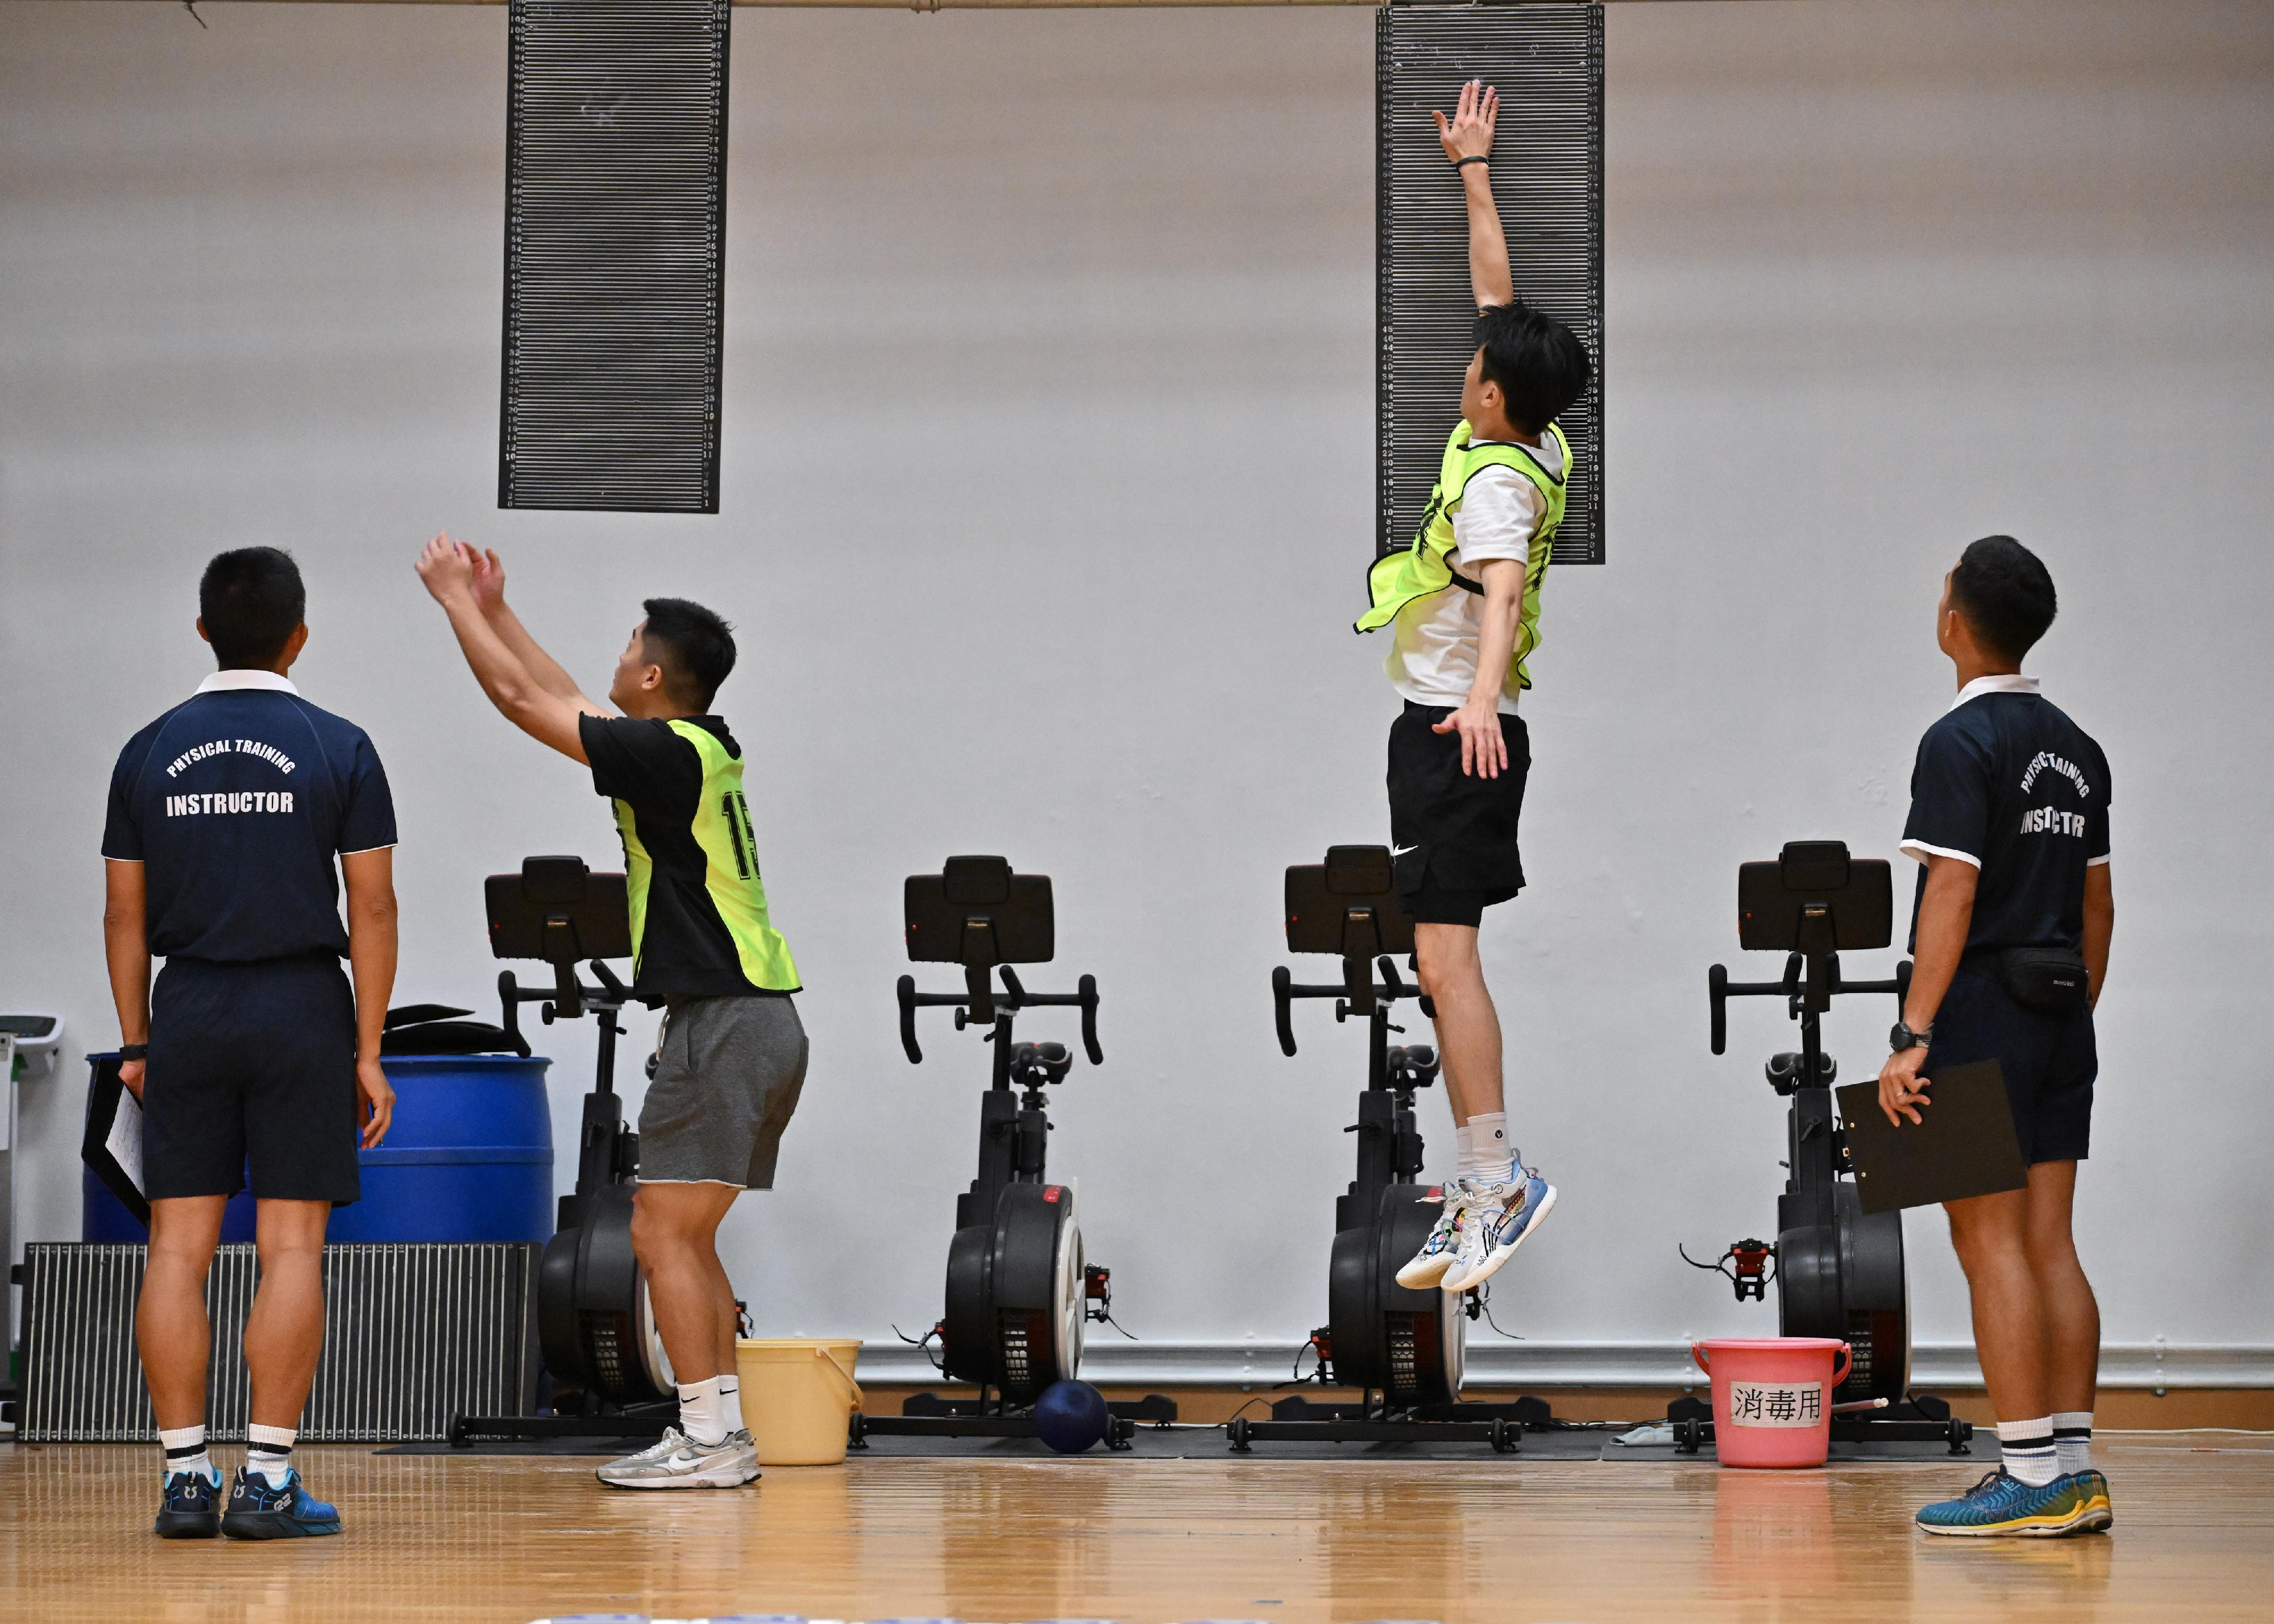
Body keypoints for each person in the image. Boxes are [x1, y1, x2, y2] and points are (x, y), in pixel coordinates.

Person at [414, 534, 806, 1490]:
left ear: (657, 671)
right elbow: (563, 697)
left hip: (726, 1017)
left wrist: (453, 602)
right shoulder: (684, 748)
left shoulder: (670, 754)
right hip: (757, 1017)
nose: (618, 656)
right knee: (687, 1233)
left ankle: (706, 1440)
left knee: (659, 1232)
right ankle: (723, 1433)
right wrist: (500, 612)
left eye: (631, 645)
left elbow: (520, 702)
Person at [102, 546, 399, 1540]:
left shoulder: (146, 749)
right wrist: (367, 1048)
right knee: (290, 1245)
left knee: (176, 1250)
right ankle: (265, 1479)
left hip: (188, 1009)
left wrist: (138, 1041)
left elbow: (122, 916)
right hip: (301, 1009)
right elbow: (375, 905)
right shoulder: (338, 743)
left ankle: (186, 1480)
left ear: (201, 633)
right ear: (299, 635)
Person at [1355, 81, 1593, 1295]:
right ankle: (1481, 1176)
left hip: (1455, 733)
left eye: (1474, 361)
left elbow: (1498, 589)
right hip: (1441, 727)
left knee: (1446, 966)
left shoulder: (1501, 481)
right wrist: (1472, 170)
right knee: (1436, 961)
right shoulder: (1532, 431)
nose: (1467, 356)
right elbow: (1495, 290)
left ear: (1492, 393)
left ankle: (1494, 1180)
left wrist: (1482, 701)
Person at [1878, 535, 2114, 1538]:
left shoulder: (1956, 740)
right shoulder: (2078, 746)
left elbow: (1953, 886)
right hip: (2063, 1014)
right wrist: (2072, 1011)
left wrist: (1911, 1031)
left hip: (1979, 1012)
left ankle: (2024, 1474)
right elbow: (2098, 908)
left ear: (1954, 623)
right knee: (2051, 1239)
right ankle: (2075, 1469)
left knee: (1988, 1243)